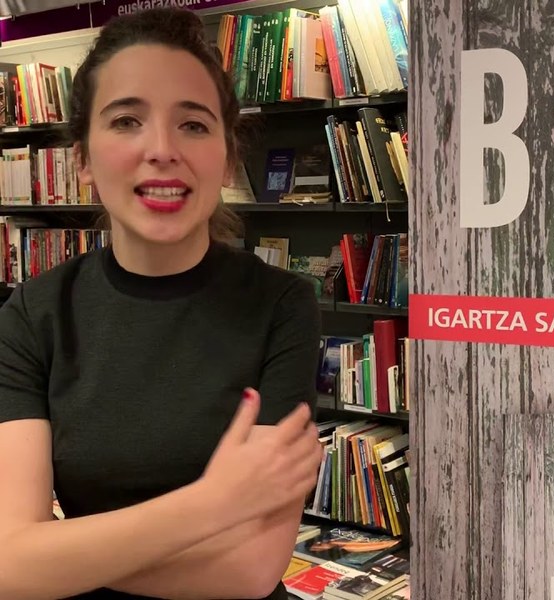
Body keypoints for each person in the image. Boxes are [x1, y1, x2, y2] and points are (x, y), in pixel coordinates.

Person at [0, 7, 324, 600]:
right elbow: (8, 565)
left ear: (227, 157)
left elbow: (250, 571)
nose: (162, 149)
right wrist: (212, 504)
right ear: (82, 158)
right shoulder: (33, 314)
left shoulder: (283, 304)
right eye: (127, 120)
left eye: (193, 124)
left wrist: (57, 557)